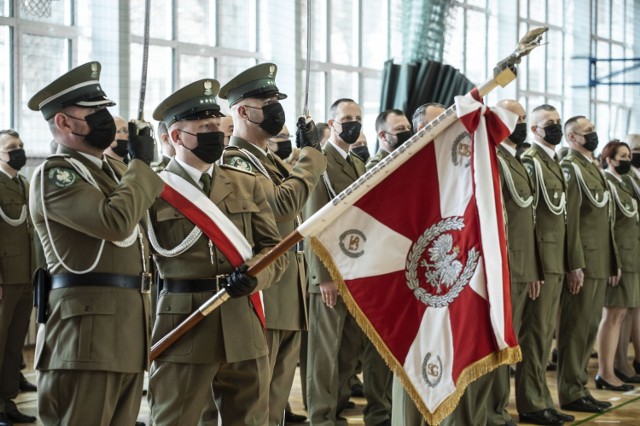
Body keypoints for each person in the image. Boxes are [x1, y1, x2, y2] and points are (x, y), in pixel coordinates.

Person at [27, 61, 163, 425]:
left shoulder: (116, 171)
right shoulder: (56, 174)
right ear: (63, 123)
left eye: (105, 110)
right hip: (84, 336)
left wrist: (139, 167)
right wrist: (142, 166)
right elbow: (115, 223)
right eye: (93, 112)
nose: (104, 118)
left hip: (128, 329)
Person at [147, 77, 287, 426]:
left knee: (251, 418)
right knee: (174, 418)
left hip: (243, 319)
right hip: (184, 321)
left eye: (216, 125)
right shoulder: (152, 188)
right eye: (204, 126)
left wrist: (256, 278)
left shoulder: (247, 183)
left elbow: (275, 250)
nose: (216, 133)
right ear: (176, 137)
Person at [219, 62, 327, 426]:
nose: (274, 107)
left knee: (276, 404)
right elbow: (282, 207)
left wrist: (301, 156)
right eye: (265, 101)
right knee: (257, 406)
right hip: (263, 295)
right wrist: (311, 155)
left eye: (276, 99)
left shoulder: (268, 162)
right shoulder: (235, 161)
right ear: (243, 111)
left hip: (287, 295)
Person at [303, 98, 369, 426]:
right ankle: (321, 416)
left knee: (348, 348)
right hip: (329, 272)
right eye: (346, 118)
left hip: (354, 268)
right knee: (324, 353)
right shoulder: (320, 161)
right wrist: (321, 276)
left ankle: (337, 405)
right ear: (332, 124)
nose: (353, 123)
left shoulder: (356, 164)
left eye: (357, 117)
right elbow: (311, 222)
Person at [517, 104, 575, 425]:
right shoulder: (530, 162)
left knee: (544, 337)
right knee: (535, 335)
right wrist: (534, 266)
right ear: (535, 131)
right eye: (547, 123)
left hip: (555, 260)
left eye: (557, 122)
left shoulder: (551, 161)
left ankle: (543, 398)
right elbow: (532, 220)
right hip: (541, 260)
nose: (553, 127)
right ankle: (531, 402)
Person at [558, 115, 620, 414]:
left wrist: (613, 259)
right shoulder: (571, 169)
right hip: (583, 261)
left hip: (599, 260)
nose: (593, 135)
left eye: (594, 130)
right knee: (577, 328)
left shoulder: (590, 167)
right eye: (587, 132)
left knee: (589, 327)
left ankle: (580, 386)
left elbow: (603, 221)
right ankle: (570, 391)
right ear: (572, 138)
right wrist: (574, 264)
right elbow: (569, 221)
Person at [486, 99, 543, 426]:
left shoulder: (514, 158)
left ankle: (502, 408)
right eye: (516, 118)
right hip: (504, 264)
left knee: (516, 341)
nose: (520, 123)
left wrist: (532, 266)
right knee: (500, 341)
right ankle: (493, 410)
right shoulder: (493, 157)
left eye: (523, 118)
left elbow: (527, 218)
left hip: (521, 264)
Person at [0, 130, 38, 425]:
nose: (19, 151)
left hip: (25, 275)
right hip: (4, 278)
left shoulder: (24, 183)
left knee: (14, 343)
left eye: (21, 146)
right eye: (12, 148)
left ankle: (8, 401)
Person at [595, 140, 638, 391]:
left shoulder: (624, 182)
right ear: (609, 159)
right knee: (612, 315)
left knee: (622, 315)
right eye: (622, 156)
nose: (627, 160)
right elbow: (608, 225)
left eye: (628, 155)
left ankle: (618, 366)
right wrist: (615, 261)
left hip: (632, 255)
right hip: (620, 257)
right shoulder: (607, 182)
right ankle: (605, 372)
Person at [614, 134, 640, 380]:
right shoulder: (623, 179)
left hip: (634, 250)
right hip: (625, 252)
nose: (631, 158)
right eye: (633, 151)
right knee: (620, 313)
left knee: (632, 310)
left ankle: (628, 363)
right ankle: (619, 364)